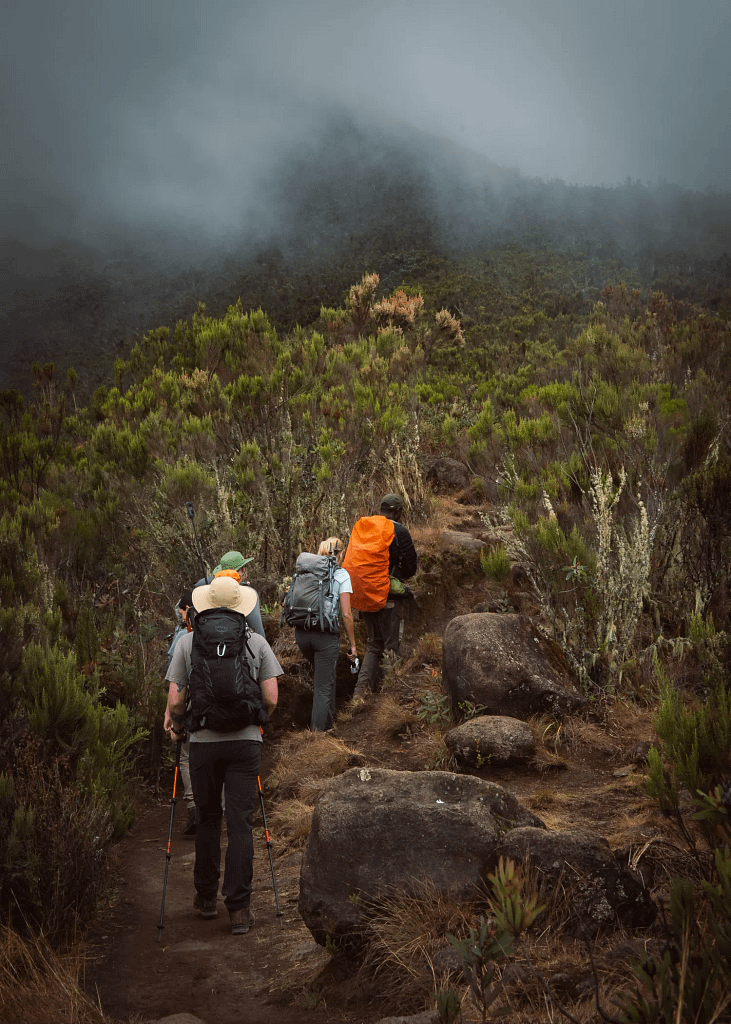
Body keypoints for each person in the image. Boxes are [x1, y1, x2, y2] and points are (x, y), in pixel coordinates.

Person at [164, 575, 281, 935]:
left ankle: (205, 898)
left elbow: (175, 699)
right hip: (245, 743)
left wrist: (180, 724)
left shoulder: (187, 642)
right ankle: (240, 909)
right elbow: (272, 697)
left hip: (202, 743)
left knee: (209, 818)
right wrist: (258, 721)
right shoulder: (256, 642)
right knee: (241, 823)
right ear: (241, 607)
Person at [346, 494, 417, 697]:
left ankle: (359, 694)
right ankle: (389, 695)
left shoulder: (365, 528)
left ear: (382, 509)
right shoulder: (399, 530)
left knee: (374, 645)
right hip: (388, 598)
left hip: (364, 596)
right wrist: (395, 579)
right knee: (391, 646)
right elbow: (411, 566)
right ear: (397, 511)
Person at [293, 537, 358, 732]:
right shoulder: (341, 574)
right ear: (339, 555)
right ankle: (317, 737)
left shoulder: (307, 572)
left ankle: (329, 724)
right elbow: (346, 614)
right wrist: (353, 644)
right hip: (325, 637)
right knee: (322, 686)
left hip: (302, 633)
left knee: (325, 677)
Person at [165, 591, 197, 836]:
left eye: (181, 610)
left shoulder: (182, 637)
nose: (179, 615)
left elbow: (174, 683)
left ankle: (194, 805)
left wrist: (171, 715)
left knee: (186, 755)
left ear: (188, 609)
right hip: (212, 707)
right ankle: (215, 806)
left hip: (188, 707)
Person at [194, 550, 266, 638]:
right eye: (243, 569)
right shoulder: (248, 594)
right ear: (241, 570)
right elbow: (256, 628)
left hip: (208, 642)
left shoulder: (206, 589)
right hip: (237, 645)